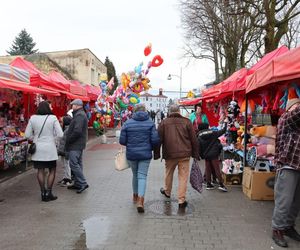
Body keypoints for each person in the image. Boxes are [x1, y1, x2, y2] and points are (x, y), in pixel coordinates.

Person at [156, 104, 199, 209]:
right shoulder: (187, 122)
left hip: (170, 154)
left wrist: (156, 154)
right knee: (183, 177)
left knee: (169, 173)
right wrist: (195, 154)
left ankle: (167, 191)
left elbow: (158, 140)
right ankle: (181, 200)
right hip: (185, 154)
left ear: (169, 112)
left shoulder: (164, 123)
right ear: (179, 111)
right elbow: (194, 139)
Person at [119, 104, 160, 213]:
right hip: (145, 154)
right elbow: (155, 140)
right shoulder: (150, 123)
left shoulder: (127, 123)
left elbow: (122, 141)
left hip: (131, 154)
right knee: (142, 176)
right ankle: (141, 201)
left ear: (134, 111)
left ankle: (135, 196)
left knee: (135, 175)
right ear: (145, 111)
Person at [271, 98, 300, 248]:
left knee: (296, 202)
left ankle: (288, 226)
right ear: (289, 108)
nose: (298, 108)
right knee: (284, 201)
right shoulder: (286, 118)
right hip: (288, 165)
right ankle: (277, 229)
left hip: (298, 166)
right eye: (296, 106)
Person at [25, 101, 63, 202]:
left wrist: (36, 138)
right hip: (50, 148)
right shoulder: (53, 118)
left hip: (38, 148)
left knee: (40, 170)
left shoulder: (33, 118)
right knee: (52, 170)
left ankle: (42, 192)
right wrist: (53, 139)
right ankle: (49, 192)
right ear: (48, 108)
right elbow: (60, 134)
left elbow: (27, 135)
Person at [65, 99, 89, 194]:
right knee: (78, 163)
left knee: (74, 164)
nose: (72, 107)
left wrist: (69, 139)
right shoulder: (80, 114)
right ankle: (78, 183)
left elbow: (77, 131)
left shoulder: (79, 115)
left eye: (73, 105)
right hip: (79, 143)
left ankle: (82, 182)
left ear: (77, 105)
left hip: (76, 144)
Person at [197, 122, 228, 192]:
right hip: (214, 154)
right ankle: (221, 184)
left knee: (208, 169)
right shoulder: (213, 133)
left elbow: (198, 147)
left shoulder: (199, 136)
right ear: (207, 127)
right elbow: (223, 131)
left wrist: (199, 156)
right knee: (217, 169)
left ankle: (208, 184)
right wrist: (225, 123)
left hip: (206, 155)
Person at [57, 115, 73, 187]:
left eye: (61, 122)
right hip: (63, 150)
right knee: (64, 165)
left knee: (67, 165)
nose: (60, 123)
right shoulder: (64, 129)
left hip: (66, 150)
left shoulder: (67, 130)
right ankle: (65, 178)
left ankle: (68, 179)